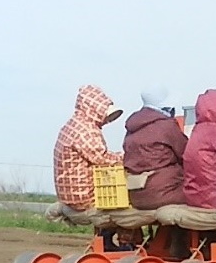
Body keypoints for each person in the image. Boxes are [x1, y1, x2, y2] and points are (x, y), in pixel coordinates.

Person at [53, 84, 123, 212]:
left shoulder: (72, 125)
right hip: (84, 197)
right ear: (95, 109)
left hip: (68, 195)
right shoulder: (87, 130)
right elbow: (102, 159)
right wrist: (127, 157)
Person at [121, 86, 187, 210]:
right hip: (164, 193)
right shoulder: (166, 125)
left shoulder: (132, 128)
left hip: (136, 196)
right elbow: (186, 154)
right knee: (198, 193)